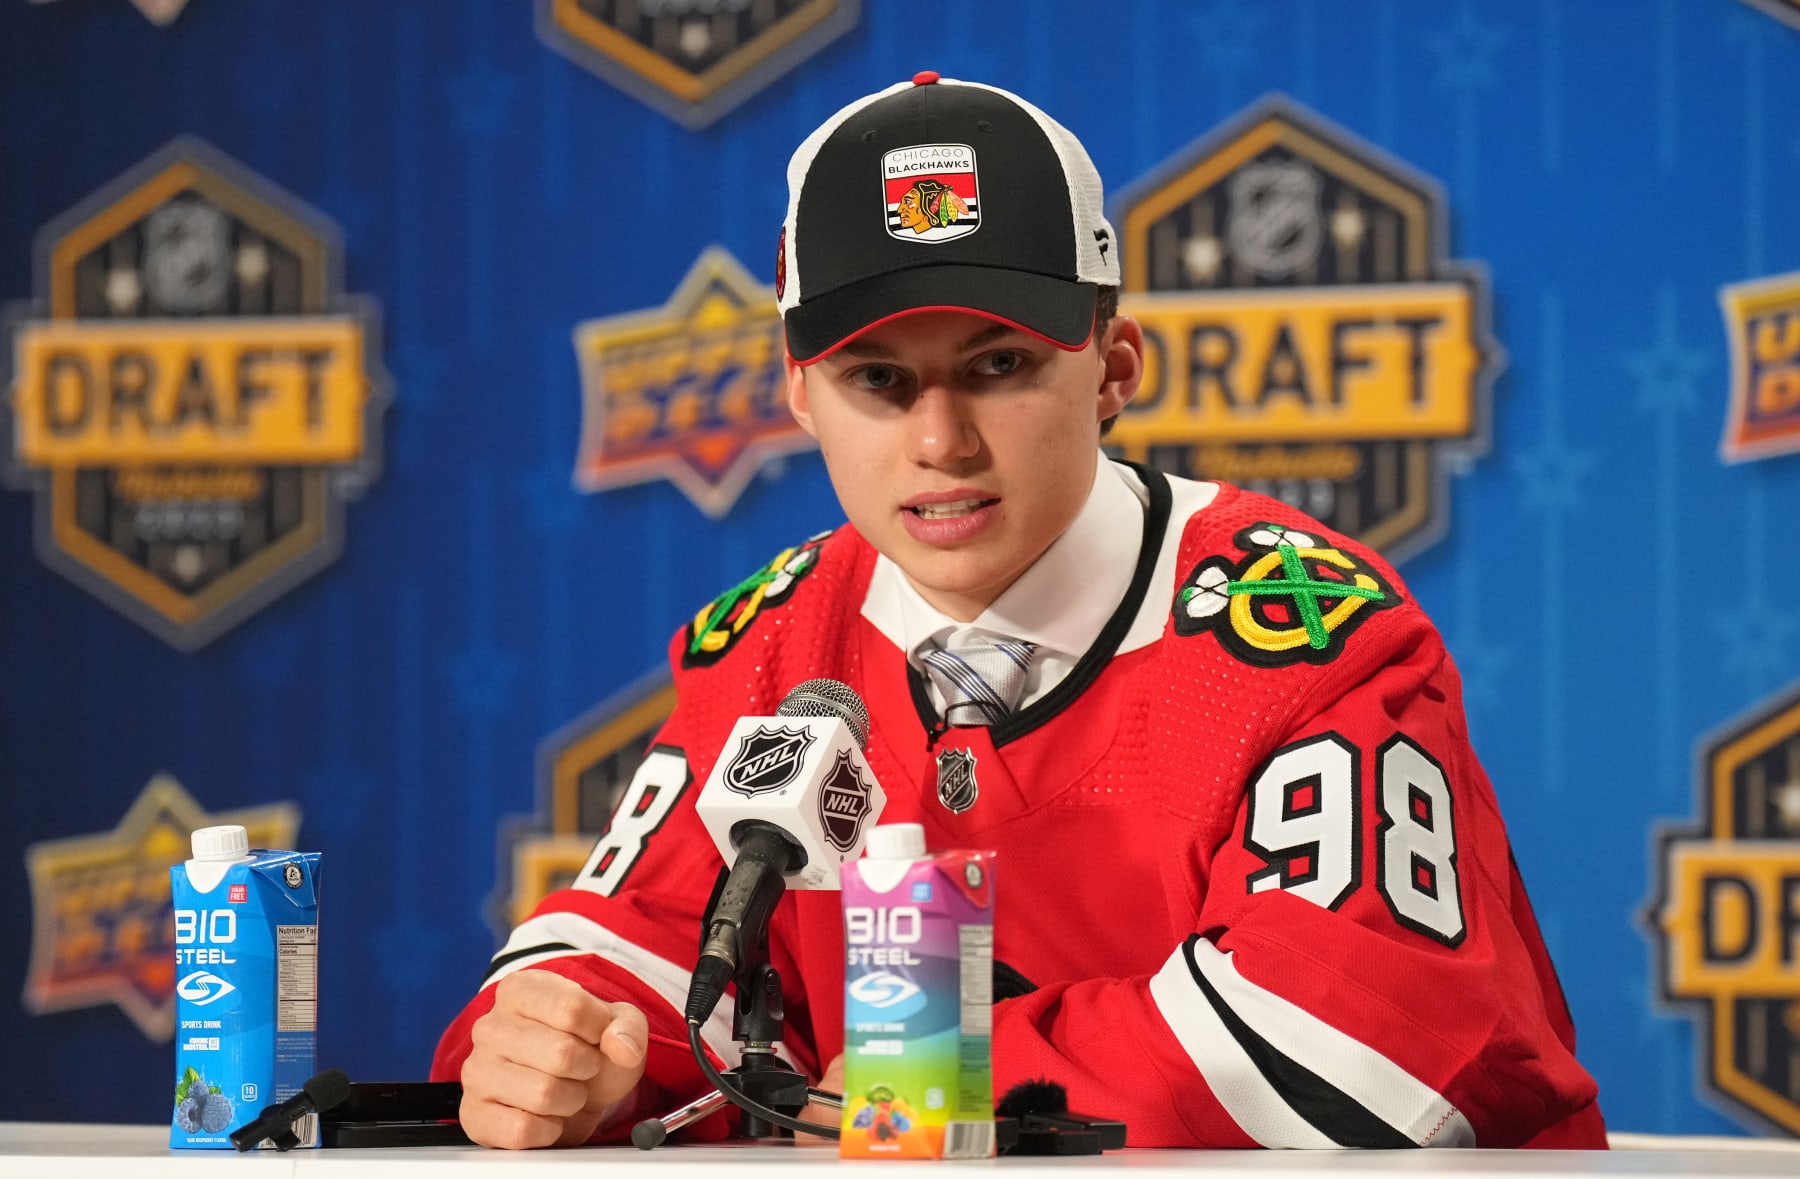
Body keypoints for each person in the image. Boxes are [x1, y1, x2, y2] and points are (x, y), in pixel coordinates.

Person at [432, 73, 1606, 1151]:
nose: (941, 442)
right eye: (878, 380)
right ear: (798, 394)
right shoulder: (772, 642)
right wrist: (569, 1048)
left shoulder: (1304, 631)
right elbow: (639, 955)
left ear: (1114, 366)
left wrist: (942, 1081)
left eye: (997, 366)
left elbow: (1366, 1042)